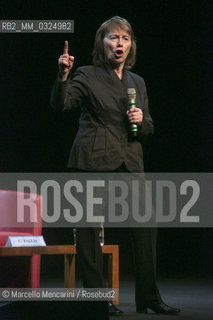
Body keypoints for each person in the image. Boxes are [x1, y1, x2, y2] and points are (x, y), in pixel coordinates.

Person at [51, 16, 180, 317]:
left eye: (125, 38)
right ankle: (98, 299)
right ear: (102, 43)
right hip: (92, 160)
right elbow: (62, 104)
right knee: (88, 231)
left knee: (146, 224)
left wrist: (142, 122)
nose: (119, 43)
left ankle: (148, 297)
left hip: (129, 161)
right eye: (113, 38)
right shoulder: (87, 74)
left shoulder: (138, 82)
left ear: (131, 44)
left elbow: (147, 124)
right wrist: (62, 77)